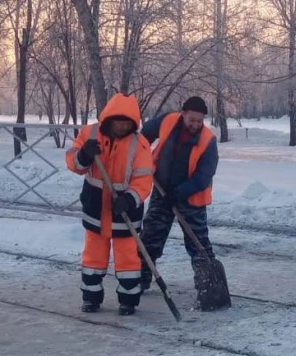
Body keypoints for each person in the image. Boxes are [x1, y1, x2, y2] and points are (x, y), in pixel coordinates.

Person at [66, 93, 154, 315]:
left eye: (127, 123)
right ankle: (91, 298)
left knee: (127, 260)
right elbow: (73, 162)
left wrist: (130, 199)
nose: (122, 127)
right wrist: (84, 155)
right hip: (96, 208)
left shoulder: (139, 144)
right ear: (109, 118)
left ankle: (128, 300)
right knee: (93, 258)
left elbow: (144, 180)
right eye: (118, 121)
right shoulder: (90, 134)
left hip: (125, 212)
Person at [138, 96, 225, 309]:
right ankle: (138, 280)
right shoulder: (167, 121)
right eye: (192, 119)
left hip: (191, 199)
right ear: (183, 113)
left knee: (198, 244)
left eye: (199, 120)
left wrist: (178, 194)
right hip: (161, 190)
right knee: (150, 237)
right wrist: (140, 157)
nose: (195, 124)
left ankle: (209, 288)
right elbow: (143, 137)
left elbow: (204, 176)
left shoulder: (208, 141)